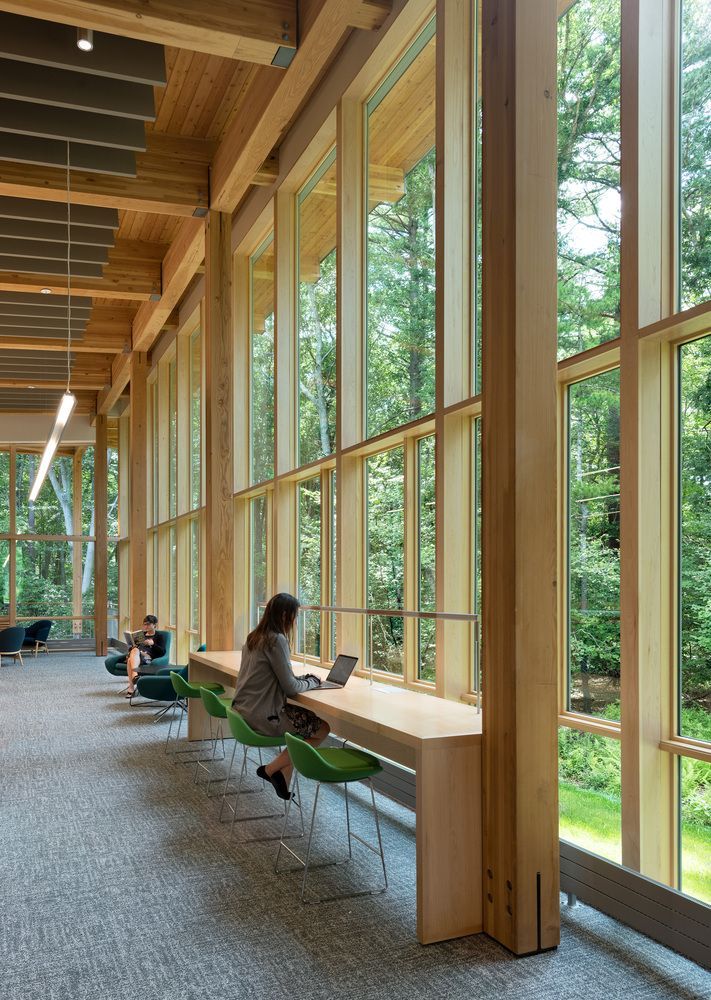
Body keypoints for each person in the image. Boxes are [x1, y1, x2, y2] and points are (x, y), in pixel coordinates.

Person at [232, 593, 329, 800]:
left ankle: (283, 777)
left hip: (244, 711)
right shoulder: (276, 640)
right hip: (265, 715)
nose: (295, 621)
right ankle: (270, 769)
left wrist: (303, 678)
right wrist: (313, 682)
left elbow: (279, 677)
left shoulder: (255, 636)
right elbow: (291, 688)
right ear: (285, 615)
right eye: (294, 616)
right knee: (322, 728)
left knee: (304, 724)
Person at [126, 615, 165, 698]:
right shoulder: (141, 635)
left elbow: (162, 652)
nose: (146, 626)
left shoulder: (159, 636)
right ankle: (134, 677)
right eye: (144, 624)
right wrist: (133, 646)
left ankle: (131, 688)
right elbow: (132, 649)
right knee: (133, 653)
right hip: (137, 656)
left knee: (131, 659)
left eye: (148, 624)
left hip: (148, 658)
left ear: (154, 625)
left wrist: (153, 644)